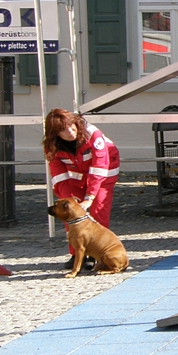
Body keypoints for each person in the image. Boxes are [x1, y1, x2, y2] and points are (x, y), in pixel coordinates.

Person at [42, 108, 120, 269]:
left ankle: (94, 253)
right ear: (55, 133)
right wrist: (67, 201)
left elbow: (99, 166)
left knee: (99, 210)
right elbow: (58, 174)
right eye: (63, 130)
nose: (70, 132)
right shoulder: (51, 146)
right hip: (77, 173)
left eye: (72, 126)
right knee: (69, 213)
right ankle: (77, 254)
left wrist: (89, 197)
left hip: (104, 171)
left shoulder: (93, 135)